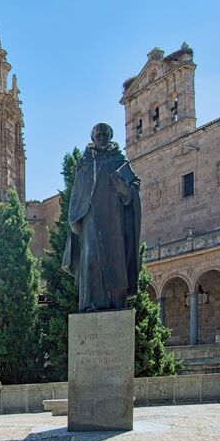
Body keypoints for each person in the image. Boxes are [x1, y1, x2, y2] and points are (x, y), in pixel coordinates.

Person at [63, 123, 141, 312]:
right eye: (98, 134)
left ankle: (116, 303)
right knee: (90, 259)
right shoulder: (85, 162)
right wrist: (75, 218)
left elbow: (134, 185)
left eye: (105, 134)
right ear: (92, 137)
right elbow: (77, 193)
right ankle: (90, 303)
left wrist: (126, 191)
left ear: (111, 136)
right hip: (89, 218)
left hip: (114, 220)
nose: (102, 137)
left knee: (115, 259)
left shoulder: (119, 160)